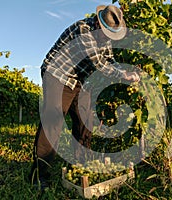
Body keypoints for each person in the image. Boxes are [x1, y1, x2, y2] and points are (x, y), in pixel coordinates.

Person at [29, 5, 140, 189]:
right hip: (58, 74)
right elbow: (98, 64)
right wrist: (124, 76)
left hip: (81, 79)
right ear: (98, 22)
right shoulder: (84, 29)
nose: (109, 37)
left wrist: (126, 70)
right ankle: (39, 175)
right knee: (53, 122)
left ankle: (78, 167)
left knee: (86, 121)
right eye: (107, 33)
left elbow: (110, 61)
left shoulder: (107, 38)